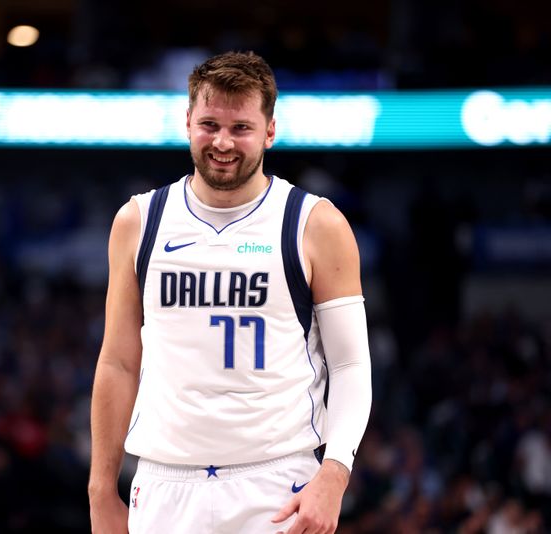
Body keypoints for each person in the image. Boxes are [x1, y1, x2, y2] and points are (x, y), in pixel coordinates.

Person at [89, 51, 372, 534]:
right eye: (209, 124)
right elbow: (118, 361)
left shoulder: (314, 223)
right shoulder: (139, 221)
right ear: (187, 123)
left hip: (279, 481)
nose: (222, 142)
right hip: (163, 483)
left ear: (269, 131)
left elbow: (350, 364)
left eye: (240, 127)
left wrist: (335, 473)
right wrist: (100, 490)